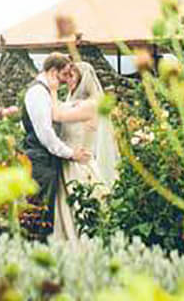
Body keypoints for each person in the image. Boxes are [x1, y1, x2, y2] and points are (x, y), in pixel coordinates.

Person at [21, 53, 91, 238]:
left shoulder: (44, 92)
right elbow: (45, 134)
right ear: (53, 72)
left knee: (46, 212)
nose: (64, 80)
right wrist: (70, 153)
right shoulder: (37, 93)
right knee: (39, 213)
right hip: (40, 160)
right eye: (64, 74)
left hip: (46, 160)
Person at [51, 60, 120, 241]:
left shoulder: (91, 104)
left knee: (79, 213)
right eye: (67, 76)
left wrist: (51, 88)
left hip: (79, 164)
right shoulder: (74, 102)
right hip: (67, 161)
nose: (67, 80)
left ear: (83, 80)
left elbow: (57, 115)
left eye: (72, 76)